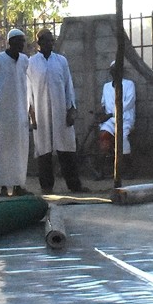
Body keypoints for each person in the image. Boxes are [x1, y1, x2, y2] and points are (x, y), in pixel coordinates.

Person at [26, 29, 88, 194]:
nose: (50, 44)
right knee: (44, 150)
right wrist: (31, 114)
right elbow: (28, 91)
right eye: (47, 41)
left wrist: (71, 109)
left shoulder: (61, 61)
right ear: (39, 42)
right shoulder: (31, 63)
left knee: (66, 148)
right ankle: (46, 186)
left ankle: (74, 184)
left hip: (61, 111)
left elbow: (69, 86)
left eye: (52, 41)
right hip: (41, 113)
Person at [0, 28, 30, 197]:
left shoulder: (25, 60)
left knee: (20, 150)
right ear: (10, 42)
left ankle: (19, 185)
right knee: (2, 150)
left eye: (23, 41)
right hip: (3, 114)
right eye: (19, 41)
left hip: (20, 113)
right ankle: (3, 187)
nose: (22, 44)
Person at [99, 62, 136, 175]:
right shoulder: (106, 86)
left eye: (117, 69)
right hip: (110, 121)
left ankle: (128, 168)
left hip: (125, 119)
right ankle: (102, 169)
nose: (115, 72)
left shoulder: (129, 84)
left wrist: (111, 114)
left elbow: (129, 103)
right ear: (110, 72)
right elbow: (103, 103)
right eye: (113, 70)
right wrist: (102, 115)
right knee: (103, 135)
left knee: (122, 138)